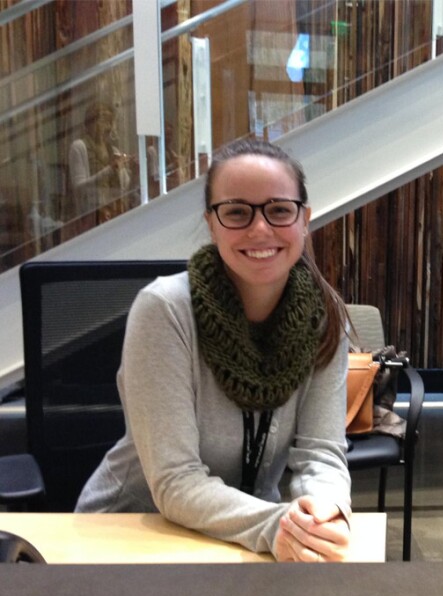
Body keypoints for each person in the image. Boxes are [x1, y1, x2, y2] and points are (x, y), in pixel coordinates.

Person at [76, 138, 352, 562]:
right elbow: (175, 481)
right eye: (237, 212)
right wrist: (276, 525)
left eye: (279, 210)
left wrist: (322, 514)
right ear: (211, 223)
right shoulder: (165, 310)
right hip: (131, 537)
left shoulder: (324, 314)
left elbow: (321, 454)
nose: (260, 229)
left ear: (304, 220)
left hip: (249, 542)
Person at [68, 101, 133, 223]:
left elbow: (124, 186)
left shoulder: (113, 150)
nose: (107, 127)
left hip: (115, 212)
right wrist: (109, 170)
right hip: (91, 215)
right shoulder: (79, 147)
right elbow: (79, 187)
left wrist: (132, 170)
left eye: (109, 122)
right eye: (103, 121)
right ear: (89, 124)